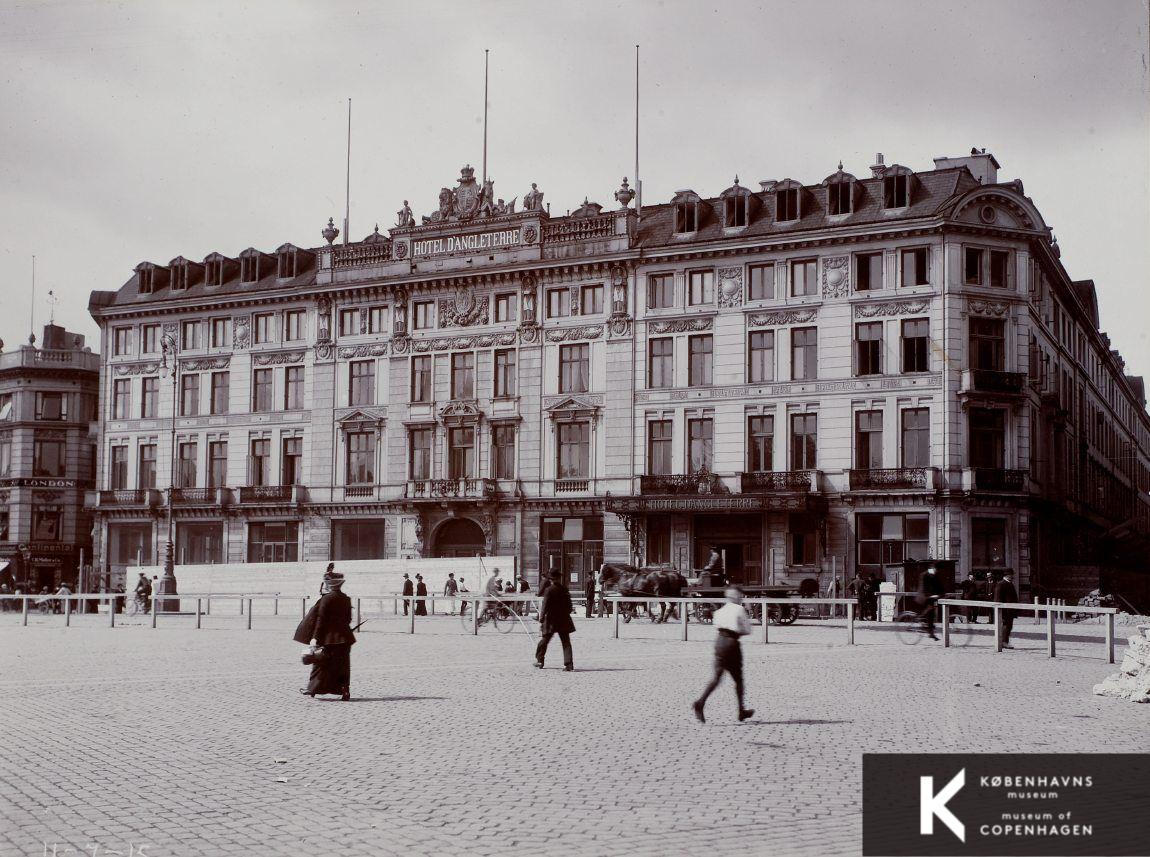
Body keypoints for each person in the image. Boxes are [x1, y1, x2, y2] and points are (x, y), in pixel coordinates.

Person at [693, 587, 754, 724]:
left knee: (716, 677)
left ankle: (700, 702)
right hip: (732, 643)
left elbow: (716, 626)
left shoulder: (720, 611)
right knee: (738, 679)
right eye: (740, 596)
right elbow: (748, 630)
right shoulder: (739, 610)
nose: (741, 598)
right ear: (737, 596)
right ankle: (741, 711)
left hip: (719, 642)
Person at [294, 572, 356, 700]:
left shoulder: (326, 599)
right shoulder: (346, 598)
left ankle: (312, 689)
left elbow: (320, 620)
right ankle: (345, 691)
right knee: (343, 666)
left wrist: (314, 637)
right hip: (345, 638)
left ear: (329, 585)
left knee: (320, 664)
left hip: (329, 638)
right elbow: (349, 619)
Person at [534, 570, 575, 671]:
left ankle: (540, 661)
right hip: (564, 619)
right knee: (566, 642)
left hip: (551, 619)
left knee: (544, 640)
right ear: (559, 578)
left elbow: (545, 605)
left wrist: (542, 618)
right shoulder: (564, 589)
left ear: (550, 579)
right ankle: (569, 664)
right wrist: (565, 613)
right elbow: (570, 606)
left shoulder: (549, 590)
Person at [916, 564, 944, 640]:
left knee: (931, 615)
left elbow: (939, 586)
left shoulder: (935, 576)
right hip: (923, 597)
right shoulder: (924, 575)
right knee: (929, 612)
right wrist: (929, 595)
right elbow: (923, 588)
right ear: (932, 568)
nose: (936, 571)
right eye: (935, 570)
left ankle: (931, 633)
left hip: (931, 598)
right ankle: (921, 619)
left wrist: (943, 594)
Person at [994, 569, 1019, 649]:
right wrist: (1000, 610)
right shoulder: (1001, 584)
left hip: (1010, 609)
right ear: (1007, 575)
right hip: (1005, 610)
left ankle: (1005, 641)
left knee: (1009, 626)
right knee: (1006, 626)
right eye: (1011, 574)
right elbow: (998, 598)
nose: (1012, 576)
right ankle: (1003, 642)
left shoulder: (1009, 583)